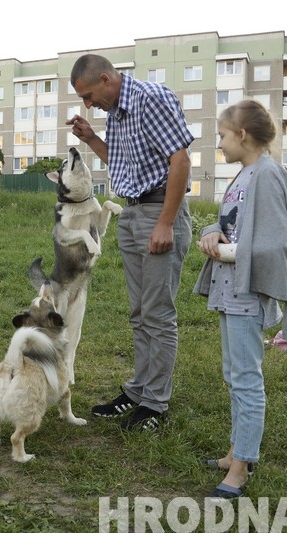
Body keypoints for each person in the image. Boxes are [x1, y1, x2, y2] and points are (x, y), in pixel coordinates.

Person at [67, 54, 194, 432]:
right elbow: (122, 164)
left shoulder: (151, 98)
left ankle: (155, 404)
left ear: (106, 79)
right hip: (132, 213)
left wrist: (166, 223)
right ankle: (138, 391)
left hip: (159, 213)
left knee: (158, 314)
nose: (88, 104)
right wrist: (91, 138)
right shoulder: (118, 112)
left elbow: (181, 161)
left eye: (89, 95)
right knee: (139, 313)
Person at [194, 99, 287, 498]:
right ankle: (235, 452)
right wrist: (213, 231)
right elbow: (235, 223)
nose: (220, 143)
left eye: (223, 135)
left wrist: (231, 251)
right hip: (230, 290)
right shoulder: (244, 174)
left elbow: (277, 243)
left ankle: (240, 469)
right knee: (233, 375)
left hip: (247, 291)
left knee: (246, 381)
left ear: (242, 135)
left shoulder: (269, 175)